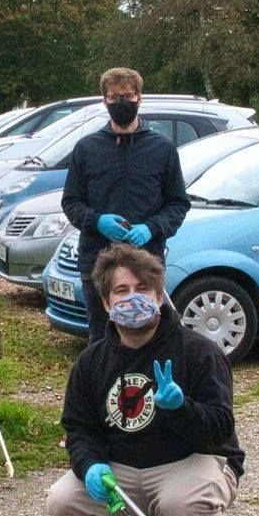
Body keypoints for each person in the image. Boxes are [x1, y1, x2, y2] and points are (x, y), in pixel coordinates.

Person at [46, 244, 242, 516]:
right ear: (106, 303)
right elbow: (79, 428)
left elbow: (221, 430)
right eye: (121, 291)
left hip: (189, 460)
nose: (132, 298)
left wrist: (182, 409)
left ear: (159, 295)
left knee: (184, 507)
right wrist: (90, 464)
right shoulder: (92, 362)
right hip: (125, 465)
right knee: (62, 503)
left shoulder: (198, 352)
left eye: (143, 289)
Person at [61, 68, 190, 346]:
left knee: (149, 336)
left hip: (147, 261)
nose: (121, 102)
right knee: (102, 339)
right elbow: (71, 203)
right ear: (104, 101)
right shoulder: (86, 149)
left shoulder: (162, 149)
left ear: (139, 98)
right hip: (97, 261)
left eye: (127, 96)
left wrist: (151, 228)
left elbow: (178, 204)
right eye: (114, 97)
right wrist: (97, 221)